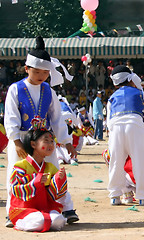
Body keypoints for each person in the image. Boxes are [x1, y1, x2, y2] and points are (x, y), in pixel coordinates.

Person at [4, 37, 78, 227]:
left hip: (44, 139)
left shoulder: (49, 91)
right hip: (21, 138)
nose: (41, 76)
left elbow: (56, 118)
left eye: (45, 72)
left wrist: (66, 140)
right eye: (37, 71)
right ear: (27, 68)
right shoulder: (16, 89)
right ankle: (13, 210)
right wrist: (17, 142)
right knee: (16, 171)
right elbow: (10, 117)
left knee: (54, 171)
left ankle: (66, 207)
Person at [107, 65, 144, 206]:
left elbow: (109, 121)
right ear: (130, 78)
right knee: (140, 162)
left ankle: (115, 196)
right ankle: (143, 196)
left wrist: (112, 136)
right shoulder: (141, 94)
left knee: (115, 161)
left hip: (116, 127)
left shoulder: (112, 97)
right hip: (135, 126)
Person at [8, 126, 68, 232]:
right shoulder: (21, 166)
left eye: (51, 141)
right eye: (46, 141)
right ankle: (20, 222)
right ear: (33, 144)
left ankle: (41, 220)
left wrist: (59, 179)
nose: (51, 144)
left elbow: (54, 195)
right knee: (40, 220)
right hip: (23, 208)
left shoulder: (50, 167)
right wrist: (36, 180)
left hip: (43, 207)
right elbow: (15, 188)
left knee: (59, 219)